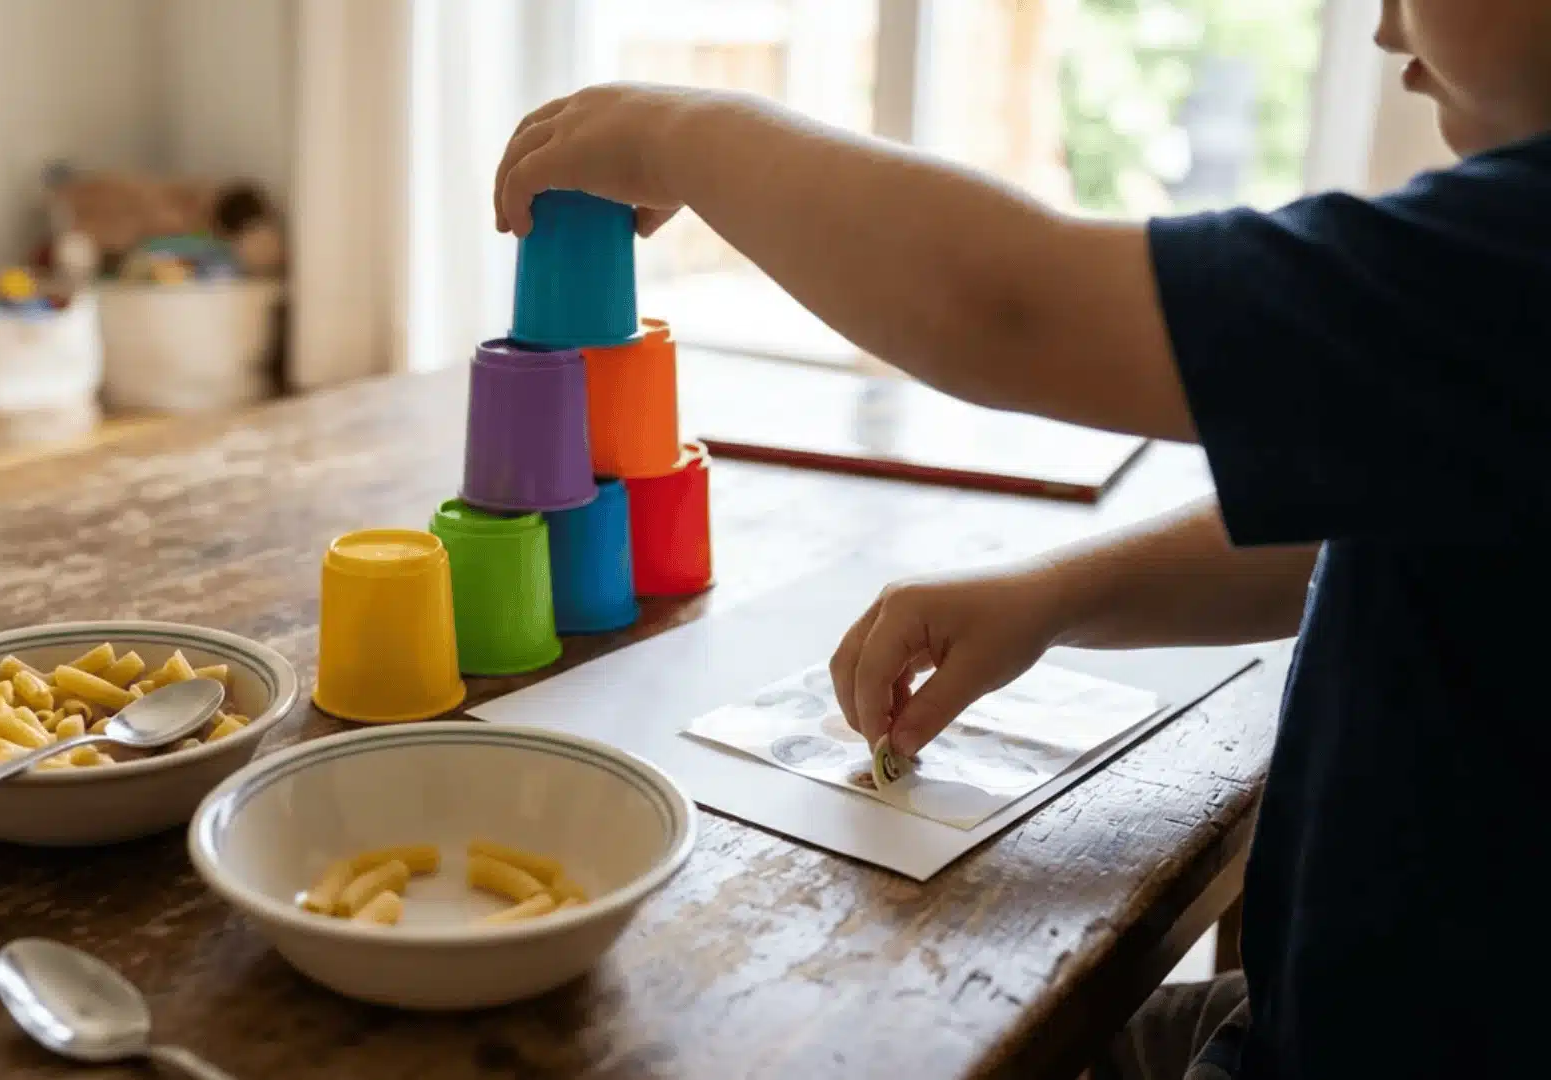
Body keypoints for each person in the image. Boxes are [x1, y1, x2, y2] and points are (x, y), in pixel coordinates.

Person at [493, 3, 1551, 1078]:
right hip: (1344, 1008)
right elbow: (1365, 507)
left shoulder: (1517, 253)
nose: (1381, 29)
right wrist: (1055, 593)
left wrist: (675, 133)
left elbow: (1008, 303)